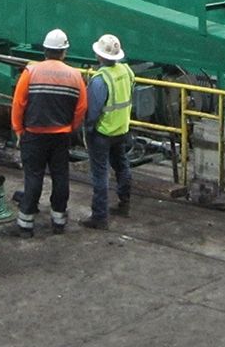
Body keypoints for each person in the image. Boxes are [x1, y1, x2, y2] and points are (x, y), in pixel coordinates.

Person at [10, 28, 87, 238]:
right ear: (64, 52)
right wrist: (71, 127)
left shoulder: (31, 72)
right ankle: (59, 221)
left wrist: (18, 130)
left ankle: (26, 224)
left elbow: (18, 103)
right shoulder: (75, 75)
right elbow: (81, 107)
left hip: (34, 135)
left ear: (44, 50)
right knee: (60, 176)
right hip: (61, 135)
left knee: (33, 177)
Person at [80, 34, 134, 229]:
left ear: (98, 55)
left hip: (103, 133)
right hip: (121, 129)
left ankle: (100, 217)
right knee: (122, 165)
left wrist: (87, 130)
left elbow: (92, 112)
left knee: (100, 174)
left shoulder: (99, 80)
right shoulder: (127, 71)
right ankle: (124, 202)